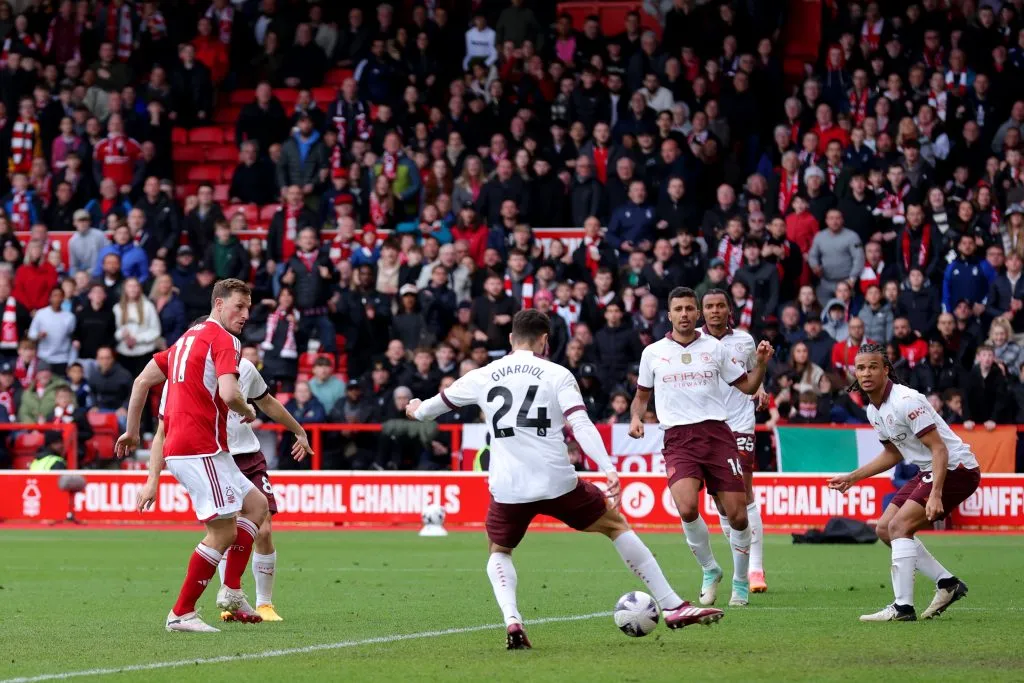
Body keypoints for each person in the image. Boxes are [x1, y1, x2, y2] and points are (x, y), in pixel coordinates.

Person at [406, 309, 724, 648]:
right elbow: (581, 424)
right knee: (615, 525)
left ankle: (512, 621)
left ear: (512, 339)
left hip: (508, 487)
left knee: (499, 550)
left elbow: (428, 410)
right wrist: (608, 468)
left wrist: (414, 407)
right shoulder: (557, 373)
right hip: (556, 480)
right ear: (544, 340)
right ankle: (673, 605)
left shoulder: (483, 375)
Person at [115, 279, 266, 632]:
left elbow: (141, 382)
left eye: (248, 308)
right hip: (200, 448)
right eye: (238, 307)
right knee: (222, 533)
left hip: (202, 449)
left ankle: (230, 592)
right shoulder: (225, 339)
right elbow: (230, 394)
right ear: (218, 304)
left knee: (256, 505)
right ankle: (182, 612)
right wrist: (249, 410)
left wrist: (132, 430)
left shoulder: (186, 339)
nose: (245, 315)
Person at [139, 319, 312, 624]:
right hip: (210, 455)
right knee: (224, 531)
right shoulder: (178, 381)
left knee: (260, 520)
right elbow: (162, 431)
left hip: (243, 456)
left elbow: (268, 402)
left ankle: (250, 598)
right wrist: (152, 478)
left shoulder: (241, 367)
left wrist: (298, 430)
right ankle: (189, 610)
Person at [629, 287, 773, 608]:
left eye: (689, 309)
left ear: (697, 314)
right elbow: (641, 396)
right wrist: (637, 419)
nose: (684, 314)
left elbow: (748, 385)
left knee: (737, 515)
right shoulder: (653, 352)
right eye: (678, 309)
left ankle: (740, 580)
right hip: (678, 439)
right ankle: (710, 569)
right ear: (669, 315)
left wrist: (760, 365)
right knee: (686, 508)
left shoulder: (715, 348)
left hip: (718, 435)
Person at [829, 343, 979, 622]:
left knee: (900, 526)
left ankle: (903, 608)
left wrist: (935, 494)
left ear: (886, 370)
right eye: (861, 368)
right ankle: (948, 584)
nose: (866, 373)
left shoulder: (906, 401)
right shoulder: (874, 411)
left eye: (873, 366)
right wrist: (853, 477)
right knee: (885, 529)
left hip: (956, 468)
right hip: (928, 470)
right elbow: (893, 453)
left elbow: (939, 449)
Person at [700, 288, 768, 593]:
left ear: (730, 310)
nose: (715, 311)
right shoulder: (692, 343)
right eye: (710, 306)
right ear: (702, 311)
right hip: (707, 425)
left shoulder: (744, 340)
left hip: (740, 422)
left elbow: (753, 369)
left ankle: (755, 569)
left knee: (743, 491)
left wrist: (761, 387)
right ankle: (739, 558)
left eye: (720, 306)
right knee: (720, 498)